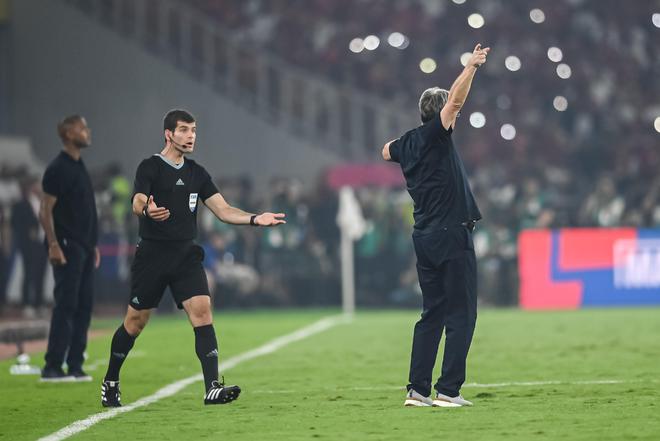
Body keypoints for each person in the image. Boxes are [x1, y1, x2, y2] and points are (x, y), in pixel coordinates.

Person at [101, 109, 286, 407]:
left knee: (202, 311)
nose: (191, 136)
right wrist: (146, 210)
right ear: (168, 134)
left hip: (185, 255)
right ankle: (111, 380)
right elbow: (137, 201)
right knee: (135, 323)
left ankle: (212, 387)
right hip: (152, 255)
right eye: (184, 130)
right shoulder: (150, 167)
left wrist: (255, 219)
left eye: (194, 130)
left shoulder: (197, 173)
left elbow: (224, 210)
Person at [382, 43, 490, 407]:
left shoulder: (408, 143)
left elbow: (385, 150)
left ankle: (417, 389)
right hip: (450, 234)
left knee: (433, 313)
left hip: (424, 237)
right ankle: (448, 390)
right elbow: (454, 103)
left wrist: (407, 141)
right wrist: (471, 67)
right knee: (462, 313)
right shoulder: (435, 135)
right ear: (441, 115)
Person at [40, 115, 100, 382]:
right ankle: (52, 366)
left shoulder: (79, 165)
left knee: (84, 307)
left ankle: (75, 365)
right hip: (66, 245)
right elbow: (45, 210)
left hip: (84, 247)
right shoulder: (58, 168)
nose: (87, 131)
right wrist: (53, 244)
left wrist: (92, 244)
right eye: (82, 128)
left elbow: (84, 210)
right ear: (68, 133)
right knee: (66, 305)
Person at [11, 176, 48, 318]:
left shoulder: (43, 203)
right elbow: (16, 222)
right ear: (30, 187)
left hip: (42, 243)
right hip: (29, 244)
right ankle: (26, 303)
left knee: (41, 274)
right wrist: (27, 232)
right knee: (29, 273)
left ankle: (39, 303)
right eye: (36, 185)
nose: (39, 188)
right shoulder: (21, 204)